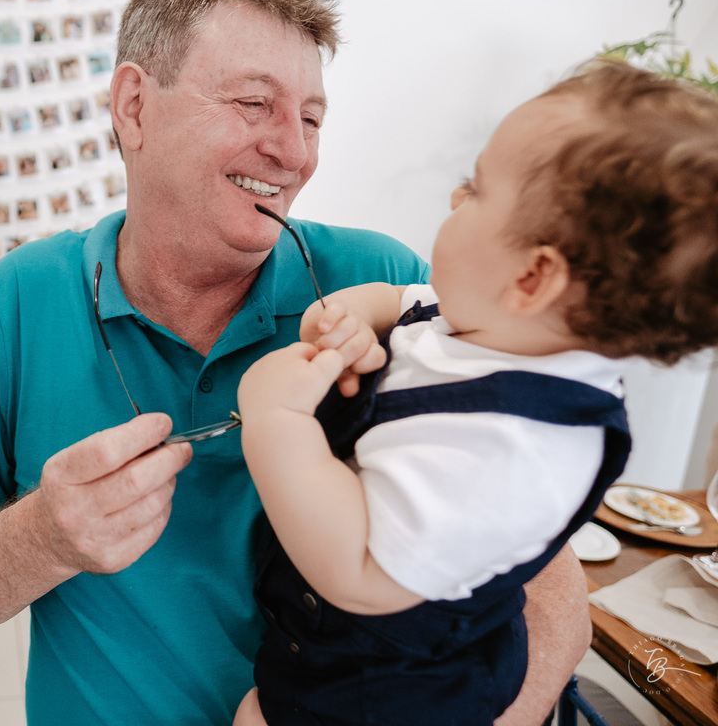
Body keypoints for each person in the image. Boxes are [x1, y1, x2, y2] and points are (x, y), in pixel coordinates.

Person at [0, 0, 590, 725]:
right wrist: (45, 539)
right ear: (134, 108)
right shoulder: (20, 298)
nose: (294, 153)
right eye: (254, 104)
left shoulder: (388, 288)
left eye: (312, 118)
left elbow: (549, 590)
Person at [235, 61, 718, 725]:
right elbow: (397, 301)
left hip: (390, 695)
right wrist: (349, 320)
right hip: (324, 652)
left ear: (533, 275)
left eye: (477, 189)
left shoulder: (515, 448)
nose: (457, 200)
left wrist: (277, 418)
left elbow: (359, 569)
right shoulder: (488, 323)